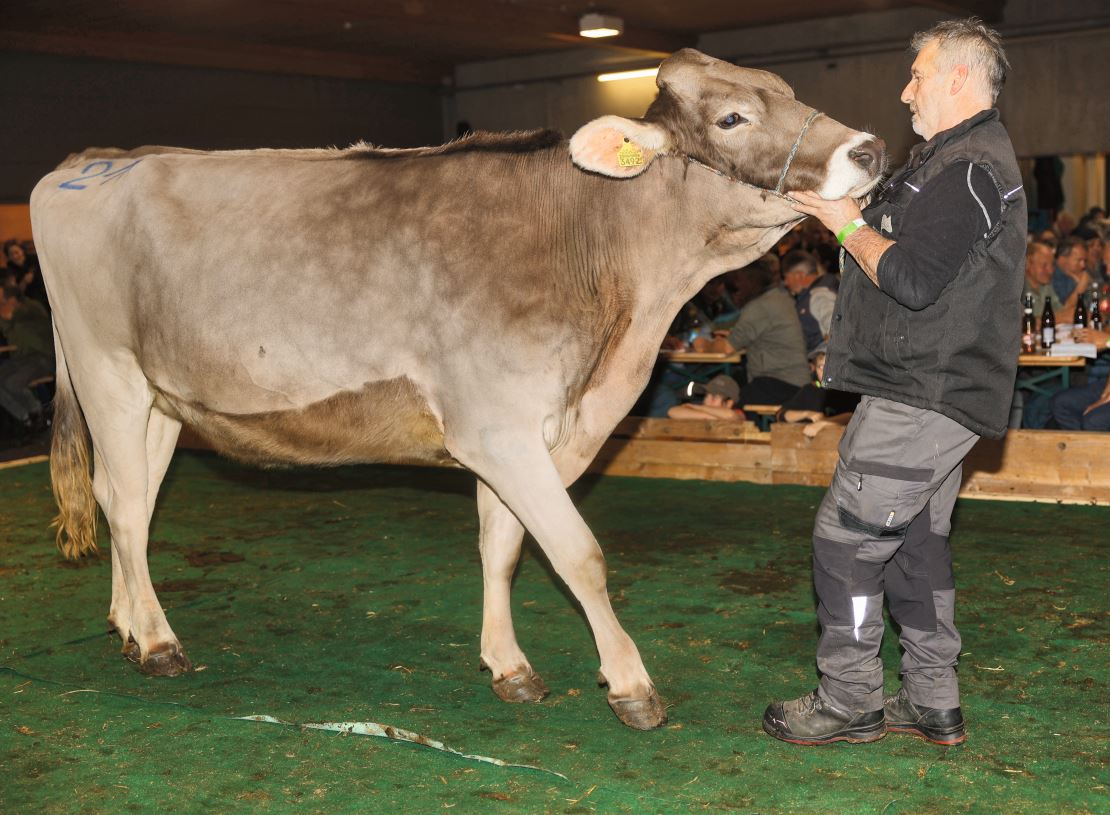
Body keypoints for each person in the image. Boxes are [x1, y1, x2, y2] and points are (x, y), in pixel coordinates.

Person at [762, 18, 1026, 747]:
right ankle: (932, 697)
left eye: (918, 74)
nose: (906, 89)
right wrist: (836, 213)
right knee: (916, 541)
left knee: (845, 543)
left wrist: (847, 226)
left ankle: (850, 696)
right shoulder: (951, 162)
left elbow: (909, 277)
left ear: (959, 80)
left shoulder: (969, 166)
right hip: (933, 390)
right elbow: (902, 252)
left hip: (922, 393)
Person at [707, 261, 811, 411]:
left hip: (778, 383)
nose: (738, 286)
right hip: (796, 382)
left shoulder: (759, 307)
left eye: (740, 280)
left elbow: (725, 349)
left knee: (731, 405)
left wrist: (704, 343)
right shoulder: (779, 298)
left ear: (752, 281)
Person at [0, 284, 55, 432]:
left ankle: (39, 413)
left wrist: (9, 314)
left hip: (43, 357)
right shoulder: (8, 317)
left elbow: (16, 316)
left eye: (2, 300)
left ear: (11, 300)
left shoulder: (31, 307)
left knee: (13, 383)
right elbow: (7, 326)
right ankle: (27, 418)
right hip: (23, 359)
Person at [782, 249, 838, 353]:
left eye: (786, 277)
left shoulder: (819, 295)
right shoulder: (820, 289)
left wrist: (820, 357)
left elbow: (836, 331)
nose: (785, 283)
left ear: (799, 275)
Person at [666, 375, 744, 421]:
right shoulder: (702, 410)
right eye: (706, 396)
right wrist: (708, 416)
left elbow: (731, 416)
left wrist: (697, 407)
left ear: (729, 403)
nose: (707, 401)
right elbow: (672, 411)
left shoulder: (737, 412)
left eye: (714, 398)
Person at [1021, 240, 1062, 318]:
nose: (1050, 271)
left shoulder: (1046, 286)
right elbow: (1023, 323)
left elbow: (1060, 310)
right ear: (1027, 263)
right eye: (1044, 265)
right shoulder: (1018, 290)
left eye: (1052, 265)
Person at [1051, 236, 1090, 311]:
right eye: (1079, 260)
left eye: (1085, 261)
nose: (1083, 265)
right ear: (1062, 259)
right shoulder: (1050, 276)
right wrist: (1081, 286)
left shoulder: (1078, 273)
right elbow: (1063, 310)